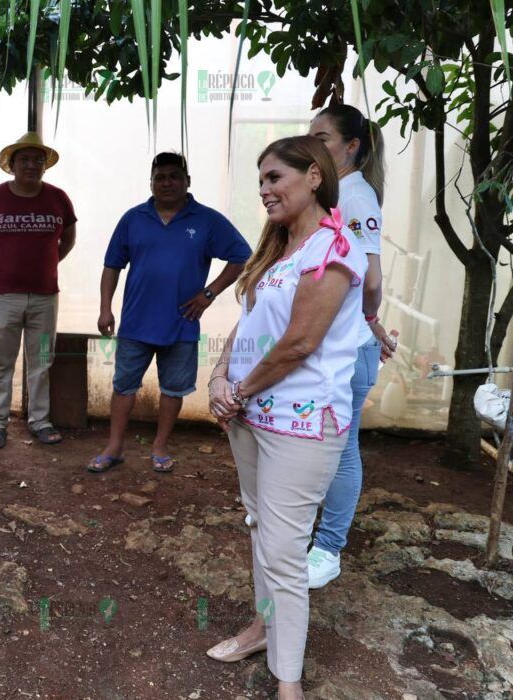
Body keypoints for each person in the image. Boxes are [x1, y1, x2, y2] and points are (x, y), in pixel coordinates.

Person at [206, 135, 366, 699]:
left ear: (314, 177)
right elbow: (251, 327)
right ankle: (263, 627)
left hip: (302, 424)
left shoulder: (336, 248)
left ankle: (288, 682)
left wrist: (240, 389)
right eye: (261, 183)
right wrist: (220, 378)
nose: (266, 191)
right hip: (252, 417)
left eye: (275, 178)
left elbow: (299, 342)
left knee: (283, 550)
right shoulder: (275, 250)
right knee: (260, 532)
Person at [89, 152, 251, 473]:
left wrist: (209, 293)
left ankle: (160, 446)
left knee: (173, 389)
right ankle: (114, 446)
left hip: (182, 322)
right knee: (124, 386)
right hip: (135, 322)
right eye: (160, 177)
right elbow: (112, 266)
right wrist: (105, 308)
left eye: (174, 176)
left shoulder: (206, 220)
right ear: (151, 182)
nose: (167, 183)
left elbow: (241, 256)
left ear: (187, 181)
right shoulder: (133, 218)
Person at [306, 104, 395, 588]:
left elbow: (372, 280)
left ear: (352, 145)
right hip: (341, 343)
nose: (312, 143)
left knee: (341, 449)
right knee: (324, 443)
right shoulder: (337, 194)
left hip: (348, 350)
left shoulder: (356, 197)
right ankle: (314, 535)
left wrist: (368, 320)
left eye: (323, 136)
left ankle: (329, 548)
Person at [0, 132, 77, 449]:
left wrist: (51, 262)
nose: (32, 164)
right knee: (2, 364)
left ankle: (39, 421)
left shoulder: (58, 198)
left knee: (41, 360)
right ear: (12, 164)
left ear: (45, 165)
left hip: (45, 297)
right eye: (25, 159)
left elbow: (68, 238)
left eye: (38, 159)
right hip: (4, 297)